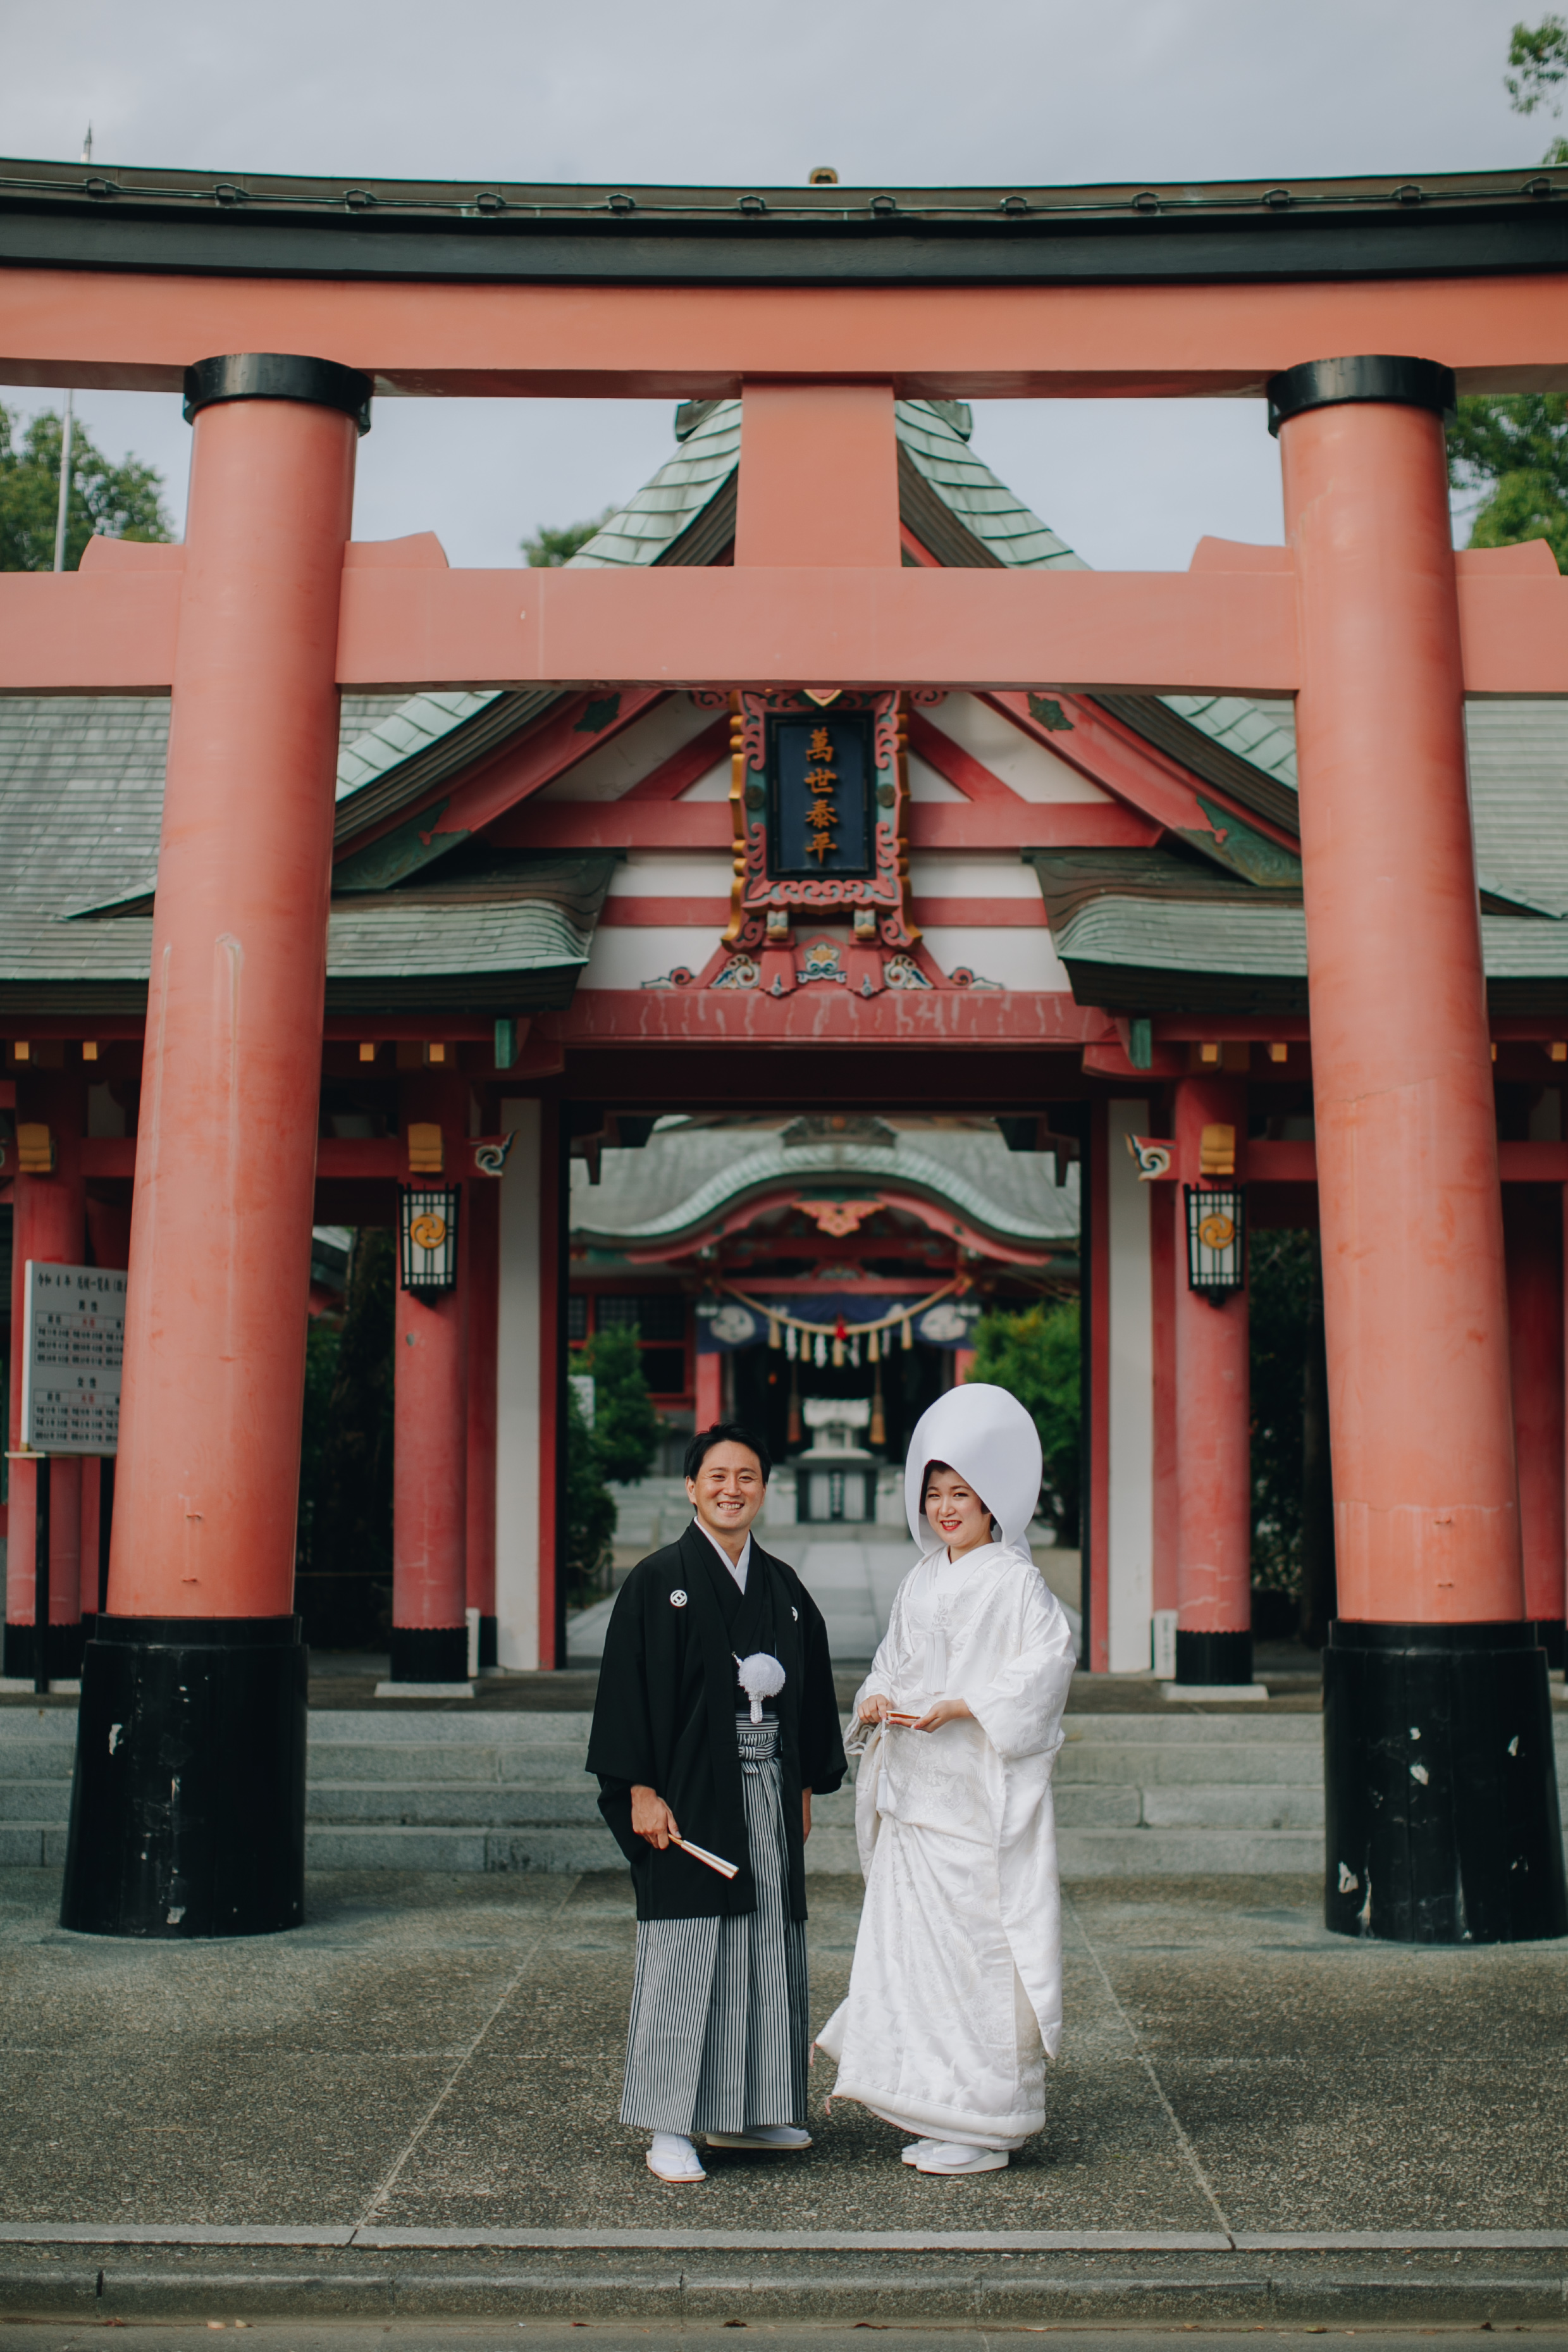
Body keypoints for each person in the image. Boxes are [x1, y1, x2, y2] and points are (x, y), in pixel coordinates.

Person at [814, 1382, 1077, 2177]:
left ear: (993, 1502)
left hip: (974, 1801)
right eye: (934, 1493)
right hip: (915, 1797)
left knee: (978, 1957)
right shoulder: (920, 1581)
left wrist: (968, 1704)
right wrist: (878, 1698)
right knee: (916, 1962)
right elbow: (888, 1665)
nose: (945, 1507)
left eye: (961, 1493)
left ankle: (988, 2119)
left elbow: (1047, 1664)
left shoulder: (1016, 1584)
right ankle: (937, 2105)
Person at [588, 1420, 847, 2186]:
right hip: (690, 1792)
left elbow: (806, 1695)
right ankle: (670, 2122)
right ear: (691, 1486)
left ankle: (754, 2108)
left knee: (768, 1942)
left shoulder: (783, 1589)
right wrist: (638, 1787)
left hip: (765, 1790)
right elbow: (626, 1690)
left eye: (747, 1477)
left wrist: (801, 1784)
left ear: (763, 1490)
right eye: (717, 1476)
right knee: (686, 1946)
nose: (732, 1489)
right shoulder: (656, 1580)